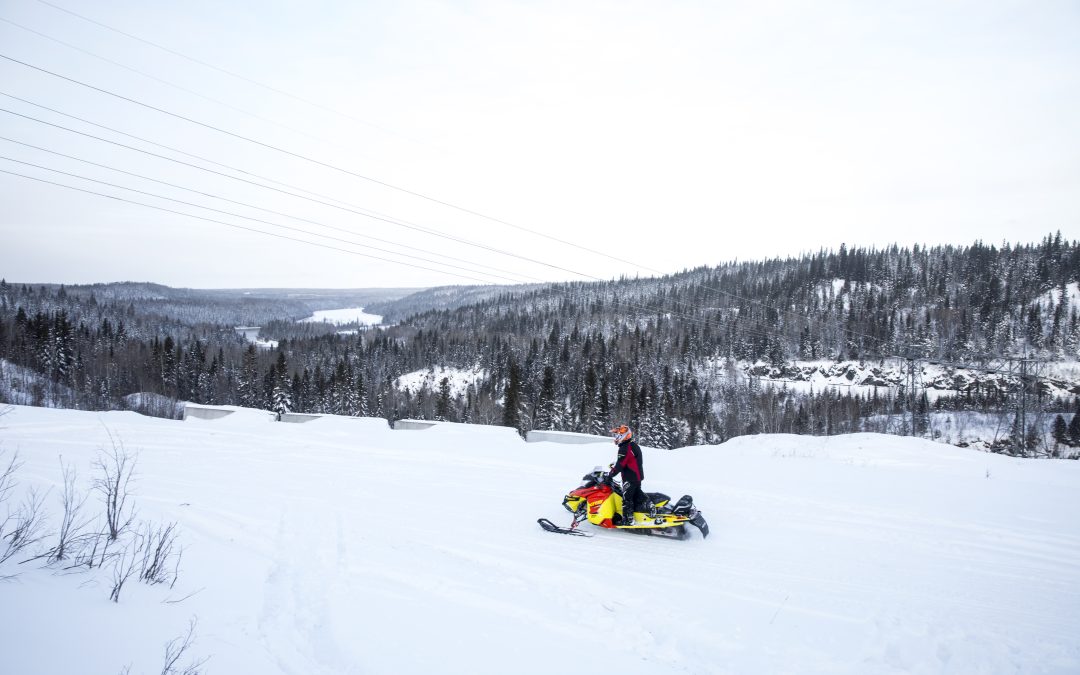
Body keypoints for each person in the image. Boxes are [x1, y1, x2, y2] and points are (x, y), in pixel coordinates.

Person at [607, 424, 647, 525]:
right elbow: (627, 461)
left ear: (623, 435)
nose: (616, 437)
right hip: (636, 475)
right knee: (636, 495)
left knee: (627, 498)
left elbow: (621, 463)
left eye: (617, 434)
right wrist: (615, 467)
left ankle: (628, 520)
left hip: (630, 477)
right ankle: (647, 508)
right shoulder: (632, 445)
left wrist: (610, 475)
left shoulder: (624, 448)